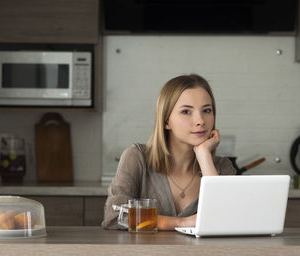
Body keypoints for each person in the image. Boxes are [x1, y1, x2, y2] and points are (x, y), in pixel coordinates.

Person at [101, 74, 236, 230]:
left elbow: (227, 220)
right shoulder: (137, 157)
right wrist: (182, 223)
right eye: (186, 111)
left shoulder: (221, 167)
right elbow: (114, 217)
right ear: (166, 121)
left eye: (207, 110)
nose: (200, 121)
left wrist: (204, 156)